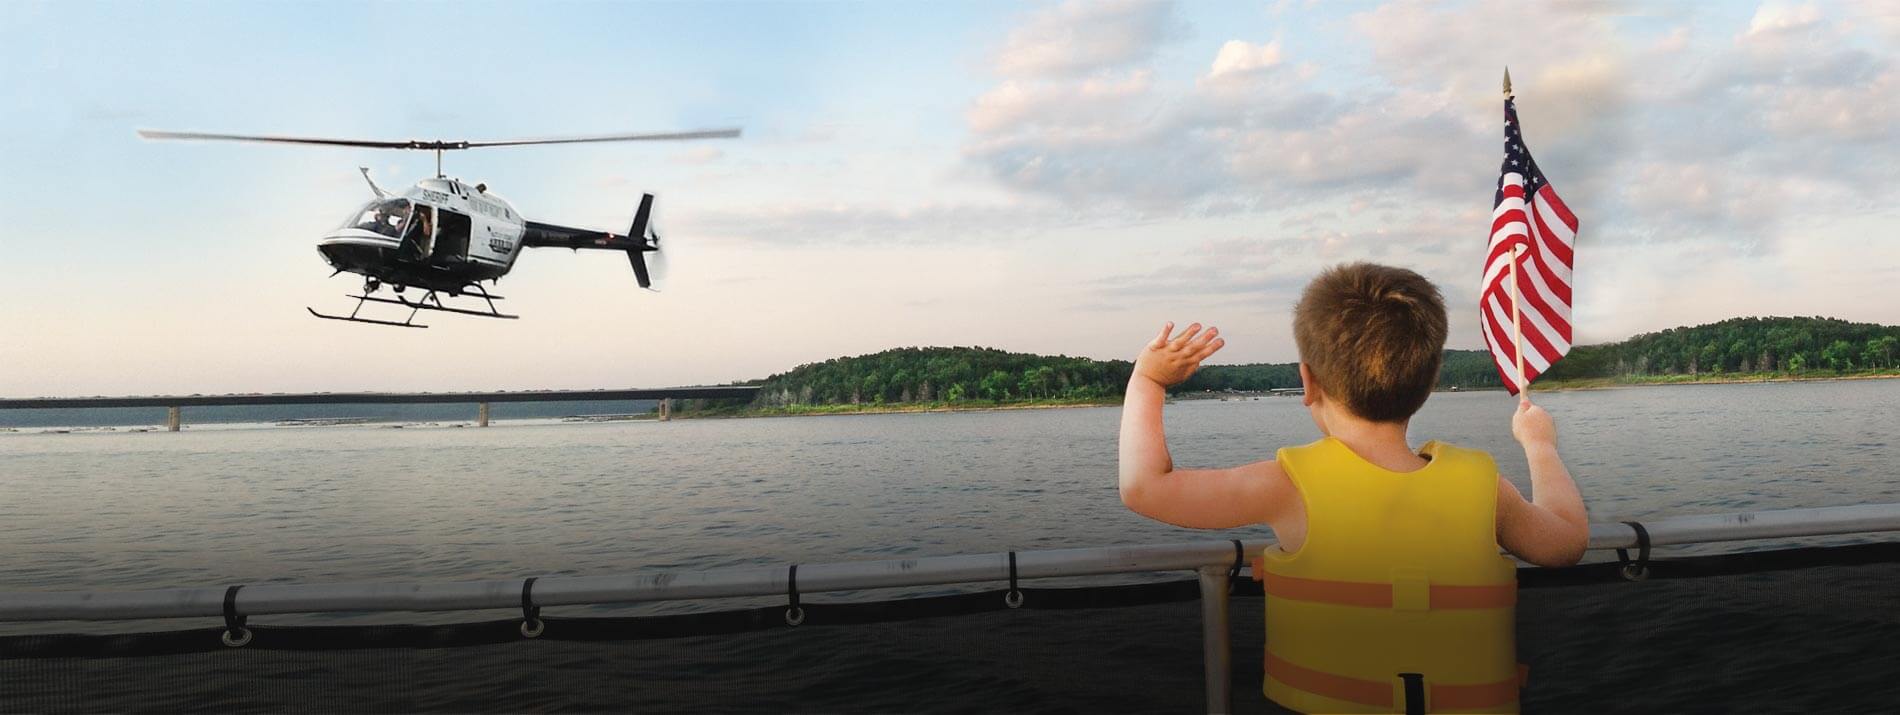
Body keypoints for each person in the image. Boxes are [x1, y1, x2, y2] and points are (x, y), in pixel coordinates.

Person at [1117, 262, 1588, 714]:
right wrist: (1540, 445)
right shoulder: (1486, 486)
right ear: (1428, 382)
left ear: (1308, 382)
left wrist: (1149, 379)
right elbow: (1566, 542)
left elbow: (1143, 487)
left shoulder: (1285, 485)